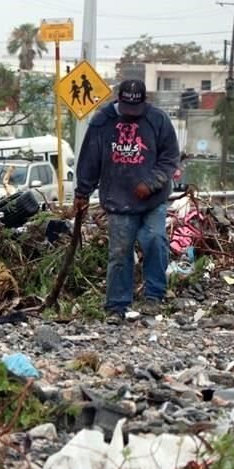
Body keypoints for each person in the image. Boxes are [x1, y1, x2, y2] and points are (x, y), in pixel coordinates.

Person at [73, 79, 180, 317]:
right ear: (118, 101)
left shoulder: (158, 120)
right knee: (120, 252)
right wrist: (82, 192)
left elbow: (170, 158)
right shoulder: (102, 122)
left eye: (136, 111)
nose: (131, 115)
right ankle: (117, 303)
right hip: (118, 199)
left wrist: (151, 182)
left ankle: (154, 295)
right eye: (127, 110)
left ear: (144, 102)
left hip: (152, 199)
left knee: (154, 240)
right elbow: (90, 159)